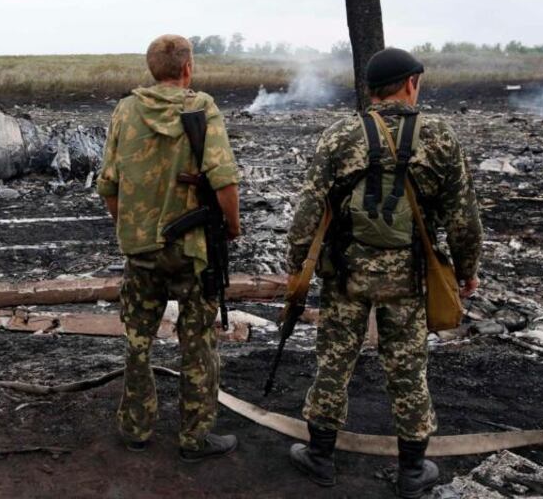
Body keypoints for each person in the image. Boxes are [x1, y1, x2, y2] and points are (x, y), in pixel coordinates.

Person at [285, 48, 483, 498]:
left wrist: (297, 265)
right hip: (409, 278)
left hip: (345, 273)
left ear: (371, 89)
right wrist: (466, 270)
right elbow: (462, 217)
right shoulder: (439, 137)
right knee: (408, 367)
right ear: (411, 83)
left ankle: (320, 457)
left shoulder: (340, 135)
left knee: (334, 360)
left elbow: (309, 210)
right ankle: (412, 471)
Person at [96, 34, 242, 462]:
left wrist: (130, 223)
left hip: (141, 251)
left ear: (152, 69)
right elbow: (224, 179)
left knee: (137, 342)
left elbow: (108, 185)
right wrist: (231, 228)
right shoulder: (201, 108)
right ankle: (195, 436)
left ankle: (136, 428)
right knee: (197, 343)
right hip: (193, 251)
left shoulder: (125, 110)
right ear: (187, 68)